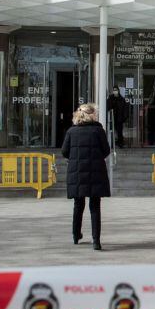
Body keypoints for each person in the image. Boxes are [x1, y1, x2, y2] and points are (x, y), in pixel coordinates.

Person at [61, 103, 111, 251]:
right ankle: (96, 241)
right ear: (92, 114)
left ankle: (76, 235)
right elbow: (106, 150)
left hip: (77, 173)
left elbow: (64, 151)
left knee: (78, 204)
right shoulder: (98, 130)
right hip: (96, 171)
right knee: (95, 206)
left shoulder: (71, 131)